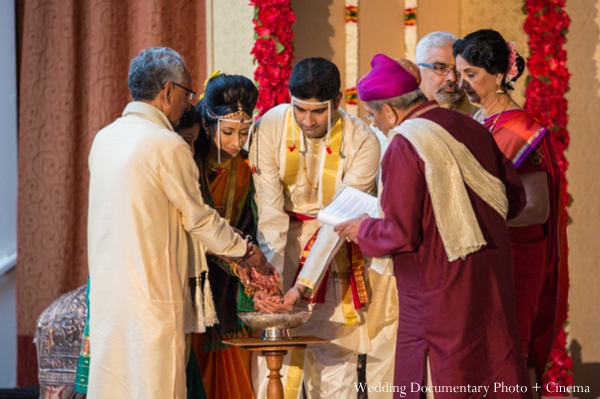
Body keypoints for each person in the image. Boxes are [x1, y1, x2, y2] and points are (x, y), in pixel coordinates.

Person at [335, 54, 531, 398]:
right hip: (490, 273)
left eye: (372, 116)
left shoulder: (404, 144)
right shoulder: (472, 125)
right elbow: (513, 199)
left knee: (442, 372)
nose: (376, 125)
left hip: (437, 286)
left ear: (390, 111)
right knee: (492, 358)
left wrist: (363, 229)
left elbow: (400, 232)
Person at [86, 47, 271, 399]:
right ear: (167, 91)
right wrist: (246, 253)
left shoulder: (105, 138)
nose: (189, 105)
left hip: (110, 295)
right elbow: (200, 219)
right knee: (156, 387)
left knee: (114, 386)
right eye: (187, 94)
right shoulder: (168, 145)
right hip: (152, 294)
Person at [249, 57, 380, 398]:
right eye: (299, 109)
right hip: (281, 246)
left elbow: (339, 218)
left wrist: (304, 284)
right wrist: (273, 280)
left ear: (337, 100)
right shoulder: (269, 126)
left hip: (334, 250)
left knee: (335, 359)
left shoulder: (363, 140)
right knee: (276, 363)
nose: (307, 121)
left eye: (318, 111)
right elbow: (270, 211)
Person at [454, 29, 569, 383]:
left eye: (470, 75)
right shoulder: (479, 122)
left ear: (501, 74)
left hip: (516, 261)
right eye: (459, 75)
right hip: (485, 255)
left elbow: (537, 209)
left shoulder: (522, 130)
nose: (461, 85)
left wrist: (479, 218)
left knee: (509, 356)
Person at [178, 73, 266, 399]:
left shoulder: (244, 169)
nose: (236, 142)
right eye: (228, 132)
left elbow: (246, 225)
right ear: (207, 122)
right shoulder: (186, 158)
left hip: (227, 282)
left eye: (244, 132)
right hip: (187, 274)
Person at [416, 31, 479, 115]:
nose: (452, 78)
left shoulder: (480, 121)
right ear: (418, 71)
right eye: (440, 68)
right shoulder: (400, 117)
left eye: (458, 70)